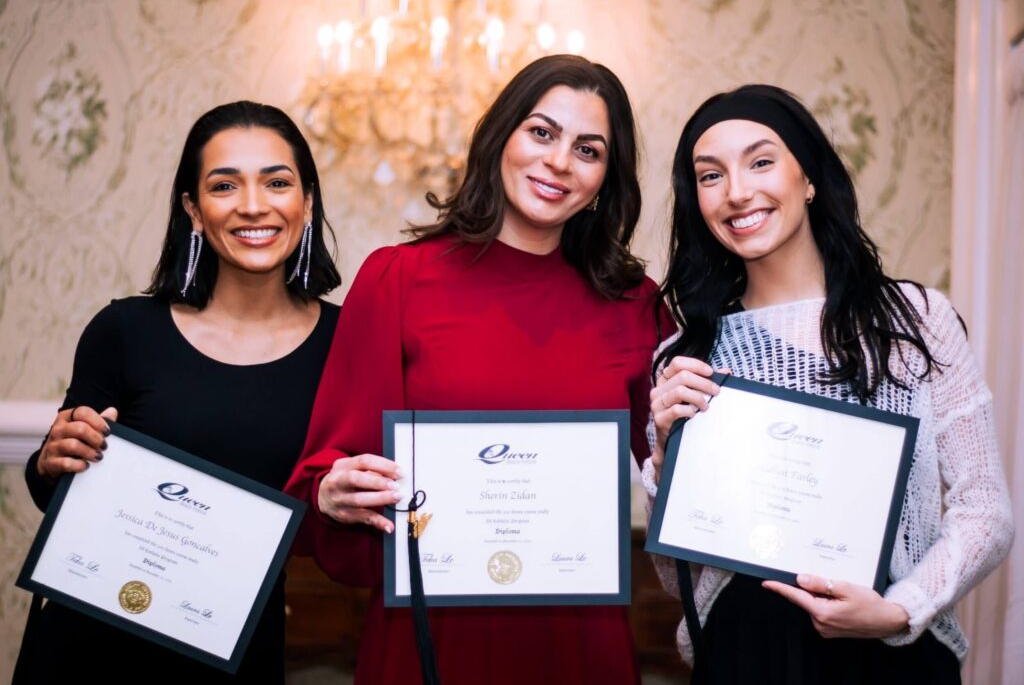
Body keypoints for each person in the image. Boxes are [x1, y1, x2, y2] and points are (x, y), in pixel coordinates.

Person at [285, 54, 674, 685]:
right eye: (541, 133)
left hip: (579, 639)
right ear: (501, 137)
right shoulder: (398, 280)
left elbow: (674, 481)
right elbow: (326, 470)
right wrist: (333, 492)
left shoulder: (636, 304)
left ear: (606, 177)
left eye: (588, 149)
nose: (558, 161)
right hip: (431, 635)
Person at [645, 84, 1014, 684]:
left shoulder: (914, 320)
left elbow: (986, 510)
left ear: (809, 177)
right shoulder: (685, 357)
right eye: (711, 176)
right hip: (744, 654)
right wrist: (666, 457)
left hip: (885, 650)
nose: (738, 191)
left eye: (761, 161)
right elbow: (675, 576)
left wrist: (901, 609)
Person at [15, 101, 342, 683]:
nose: (252, 204)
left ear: (307, 200)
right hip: (90, 648)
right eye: (224, 185)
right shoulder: (124, 331)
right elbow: (53, 489)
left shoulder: (347, 344)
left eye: (277, 181)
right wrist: (50, 460)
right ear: (193, 208)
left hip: (237, 649)